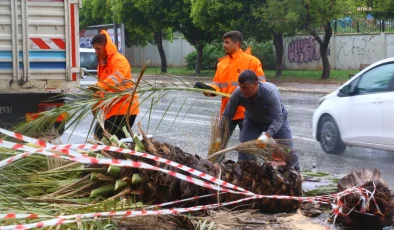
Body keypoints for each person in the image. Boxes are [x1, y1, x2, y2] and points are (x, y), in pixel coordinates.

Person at [221, 70, 300, 171]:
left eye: (245, 88)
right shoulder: (238, 93)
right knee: (245, 150)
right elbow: (227, 116)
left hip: (276, 122)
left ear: (256, 84)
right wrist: (220, 136)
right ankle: (245, 175)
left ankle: (296, 173)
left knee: (288, 150)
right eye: (241, 87)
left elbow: (278, 118)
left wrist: (267, 135)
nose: (243, 91)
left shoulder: (270, 92)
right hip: (253, 122)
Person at [196, 31, 265, 137]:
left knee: (248, 145)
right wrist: (208, 90)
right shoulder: (221, 64)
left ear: (237, 44)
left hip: (246, 112)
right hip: (227, 112)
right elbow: (217, 87)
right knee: (218, 145)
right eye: (224, 42)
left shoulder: (252, 62)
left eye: (227, 42)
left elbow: (261, 86)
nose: (224, 45)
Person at [90, 30, 139, 139]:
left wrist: (99, 86)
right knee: (99, 136)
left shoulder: (118, 60)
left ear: (106, 47)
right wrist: (95, 104)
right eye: (95, 49)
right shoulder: (103, 62)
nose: (96, 52)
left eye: (98, 49)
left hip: (124, 107)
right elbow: (103, 84)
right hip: (111, 108)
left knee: (112, 140)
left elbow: (116, 78)